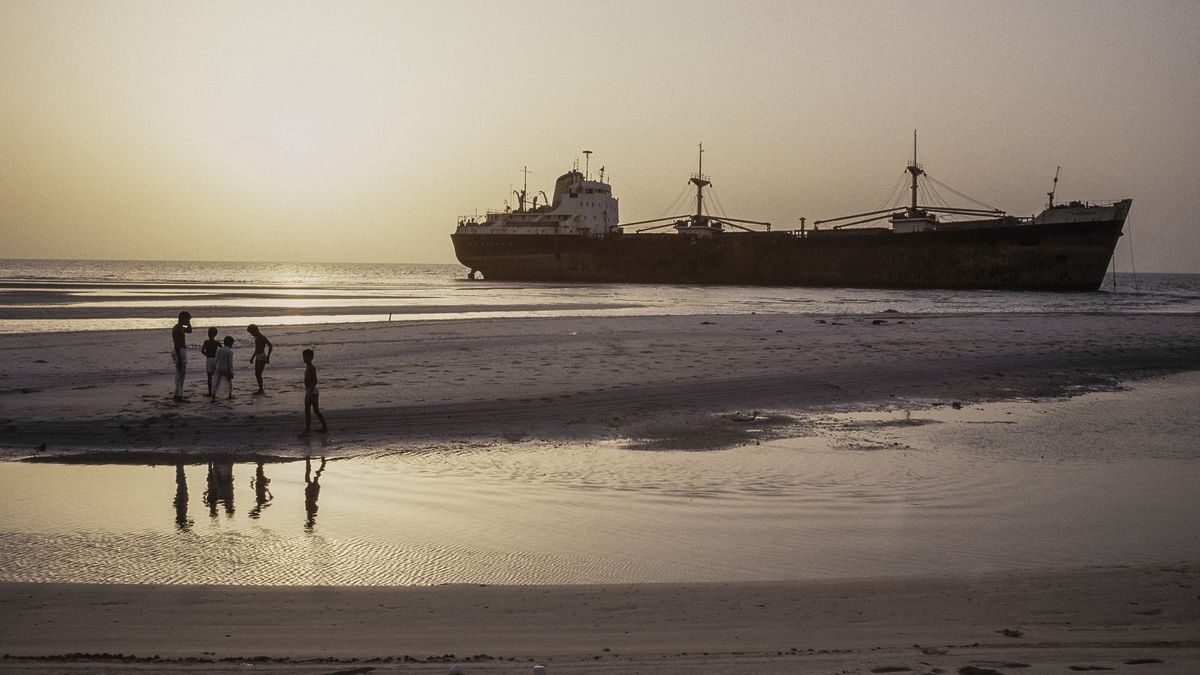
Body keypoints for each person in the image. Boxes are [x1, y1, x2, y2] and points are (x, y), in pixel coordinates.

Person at [300, 348, 328, 435]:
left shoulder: (312, 368)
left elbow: (315, 381)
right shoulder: (308, 367)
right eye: (303, 357)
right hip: (310, 391)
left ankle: (309, 430)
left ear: (311, 358)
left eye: (306, 357)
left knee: (311, 411)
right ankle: (323, 427)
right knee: (312, 411)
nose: (304, 359)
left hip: (312, 391)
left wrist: (310, 392)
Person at [246, 324, 273, 394]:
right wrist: (252, 357)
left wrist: (268, 356)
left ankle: (261, 389)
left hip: (262, 356)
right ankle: (260, 389)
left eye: (252, 333)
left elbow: (270, 346)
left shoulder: (262, 337)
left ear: (256, 330)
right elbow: (256, 349)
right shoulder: (256, 338)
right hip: (257, 356)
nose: (251, 335)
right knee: (256, 373)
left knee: (258, 373)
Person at [171, 311, 192, 400]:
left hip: (180, 350)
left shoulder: (180, 327)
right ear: (182, 318)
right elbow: (177, 344)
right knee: (181, 375)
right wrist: (179, 358)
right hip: (179, 351)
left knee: (179, 374)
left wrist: (188, 323)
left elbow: (190, 331)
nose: (187, 321)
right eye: (187, 319)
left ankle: (178, 394)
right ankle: (178, 395)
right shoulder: (178, 329)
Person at [200, 327, 220, 397]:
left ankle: (210, 392)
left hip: (209, 360)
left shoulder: (206, 342)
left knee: (209, 377)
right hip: (215, 360)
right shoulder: (217, 342)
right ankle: (214, 391)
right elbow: (222, 349)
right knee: (215, 376)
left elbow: (202, 351)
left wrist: (206, 354)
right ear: (216, 334)